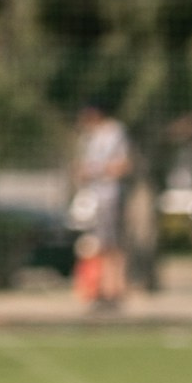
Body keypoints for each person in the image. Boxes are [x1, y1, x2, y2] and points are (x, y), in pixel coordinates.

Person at [70, 105, 132, 312]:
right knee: (100, 245)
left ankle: (115, 291)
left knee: (112, 246)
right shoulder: (88, 137)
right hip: (94, 198)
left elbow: (123, 165)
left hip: (110, 196)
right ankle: (102, 290)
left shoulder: (114, 132)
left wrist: (95, 170)